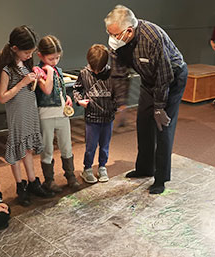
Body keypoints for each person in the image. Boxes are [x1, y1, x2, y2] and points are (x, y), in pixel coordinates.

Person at [104, 5, 188, 194]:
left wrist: (159, 108)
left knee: (162, 127)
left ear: (129, 31)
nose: (112, 38)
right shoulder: (117, 42)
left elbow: (164, 76)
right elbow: (118, 74)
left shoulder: (153, 37)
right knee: (143, 122)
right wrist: (121, 104)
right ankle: (144, 168)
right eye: (109, 33)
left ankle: (161, 178)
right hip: (149, 80)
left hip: (172, 78)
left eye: (115, 34)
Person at [0, 26, 53, 206]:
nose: (30, 55)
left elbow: (29, 86)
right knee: (18, 149)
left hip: (29, 111)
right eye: (27, 52)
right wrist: (22, 83)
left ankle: (32, 181)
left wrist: (34, 78)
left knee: (28, 148)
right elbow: (2, 97)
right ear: (15, 49)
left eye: (31, 52)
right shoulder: (6, 69)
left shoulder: (26, 64)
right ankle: (21, 186)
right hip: (17, 115)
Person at [73, 44, 128, 184]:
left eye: (100, 69)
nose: (96, 72)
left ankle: (102, 167)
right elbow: (77, 89)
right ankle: (87, 169)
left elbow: (118, 93)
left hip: (107, 118)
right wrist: (80, 101)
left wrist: (116, 105)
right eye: (94, 69)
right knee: (90, 146)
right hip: (92, 118)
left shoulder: (111, 74)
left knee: (104, 146)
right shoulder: (84, 73)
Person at [34, 35, 80, 193]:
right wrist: (50, 72)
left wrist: (65, 98)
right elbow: (46, 90)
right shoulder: (39, 70)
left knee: (66, 146)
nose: (54, 61)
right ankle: (49, 180)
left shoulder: (57, 70)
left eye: (57, 58)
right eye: (51, 58)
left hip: (61, 114)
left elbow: (58, 90)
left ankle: (70, 175)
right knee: (47, 148)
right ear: (40, 55)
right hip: (46, 115)